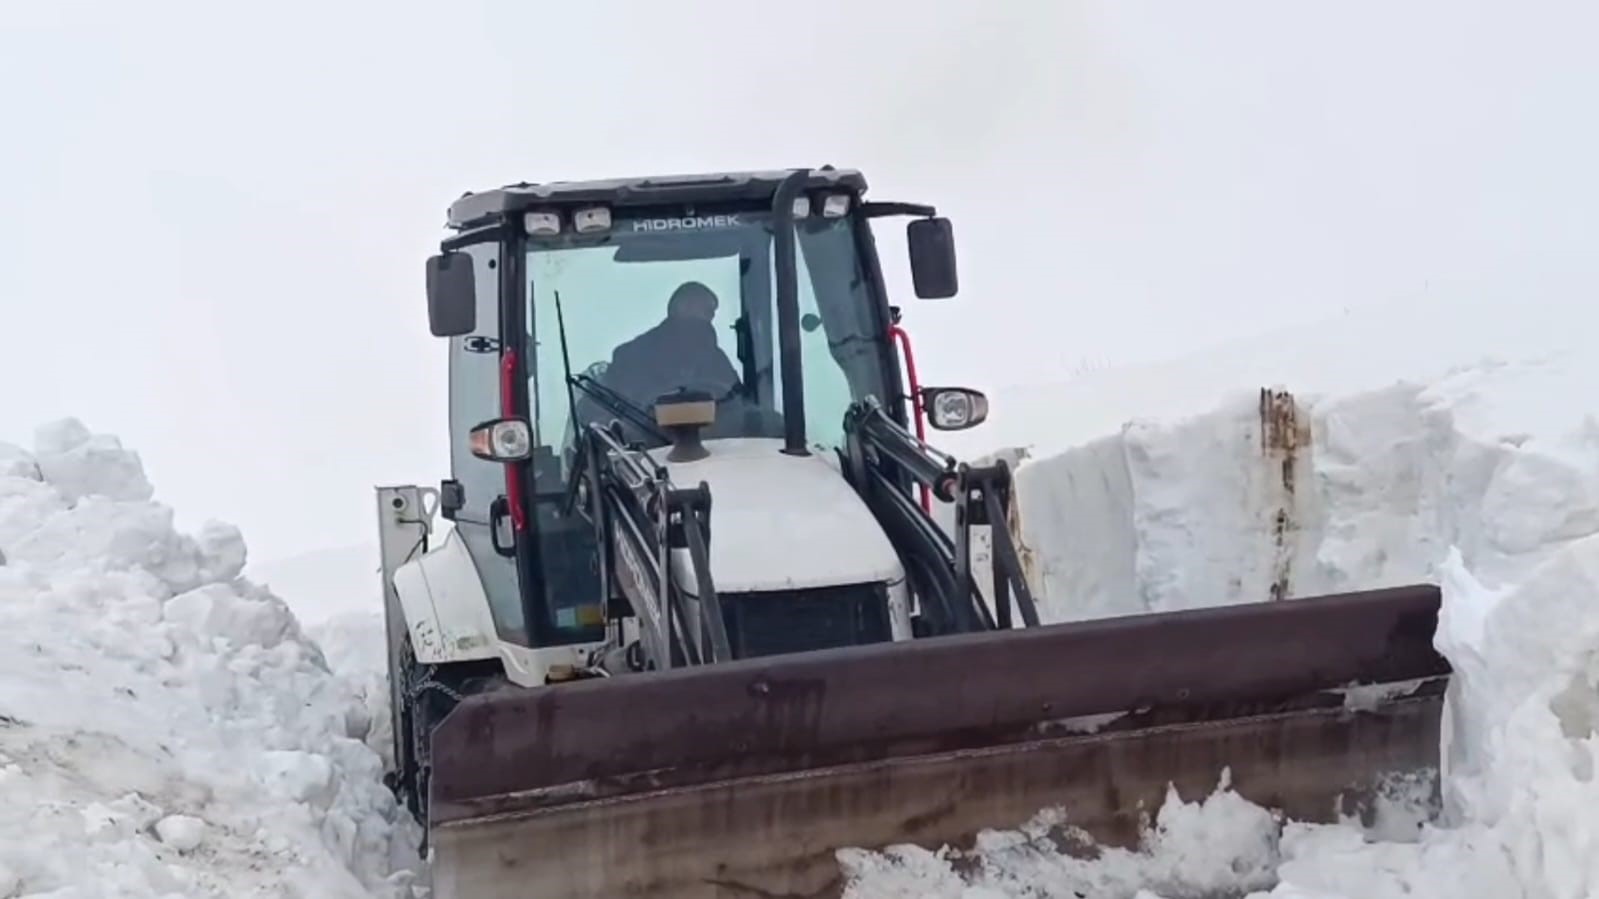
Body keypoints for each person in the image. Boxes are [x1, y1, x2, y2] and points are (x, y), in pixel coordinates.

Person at [602, 281, 742, 411]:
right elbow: (610, 409)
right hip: (645, 428)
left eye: (712, 311)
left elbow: (739, 402)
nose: (711, 315)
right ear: (682, 307)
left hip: (713, 430)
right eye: (706, 309)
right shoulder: (631, 356)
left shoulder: (716, 360)